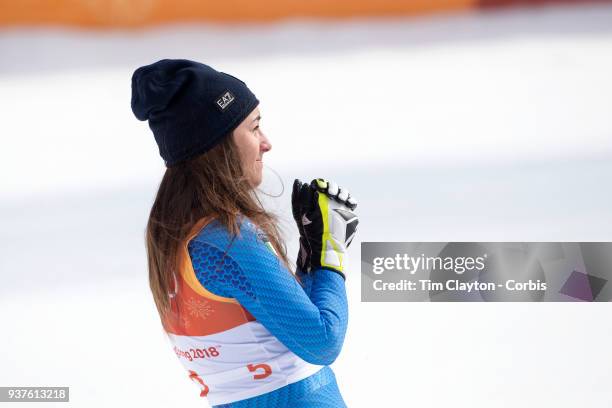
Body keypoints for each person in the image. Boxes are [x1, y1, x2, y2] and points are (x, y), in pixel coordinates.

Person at [131, 59, 359, 407]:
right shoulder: (228, 241)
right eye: (254, 128)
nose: (266, 143)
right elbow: (322, 341)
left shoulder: (175, 237)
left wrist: (310, 259)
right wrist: (328, 254)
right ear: (218, 143)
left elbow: (263, 333)